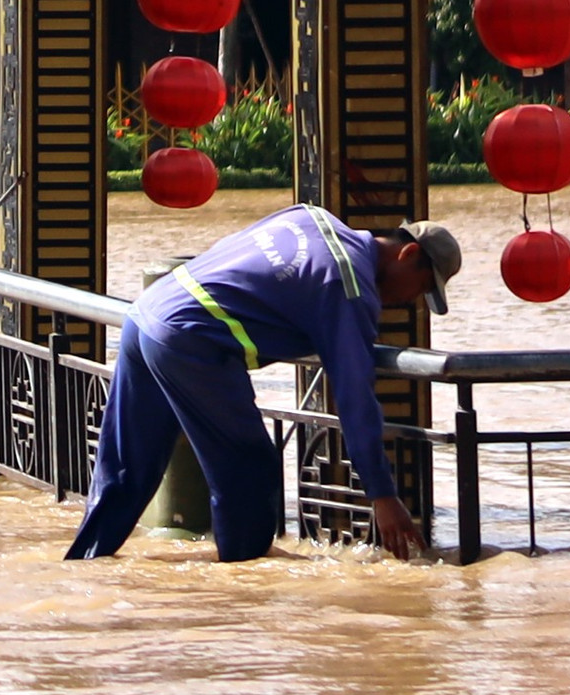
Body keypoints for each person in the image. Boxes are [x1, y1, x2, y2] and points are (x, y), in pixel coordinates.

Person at [66, 206, 462, 564]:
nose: (412, 300)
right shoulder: (349, 286)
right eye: (422, 287)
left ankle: (83, 566)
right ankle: (242, 592)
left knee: (127, 468)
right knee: (250, 469)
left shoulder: (312, 216)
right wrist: (382, 494)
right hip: (191, 339)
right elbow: (355, 396)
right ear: (407, 255)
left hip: (147, 313)